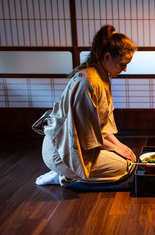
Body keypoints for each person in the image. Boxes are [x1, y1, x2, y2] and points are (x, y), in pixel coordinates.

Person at [34, 25, 138, 186]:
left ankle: (65, 172)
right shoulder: (89, 81)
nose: (125, 69)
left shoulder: (101, 75)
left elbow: (100, 126)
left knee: (127, 157)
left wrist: (120, 147)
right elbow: (84, 133)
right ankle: (62, 174)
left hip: (78, 145)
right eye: (122, 64)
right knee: (123, 167)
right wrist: (117, 149)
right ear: (107, 56)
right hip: (60, 151)